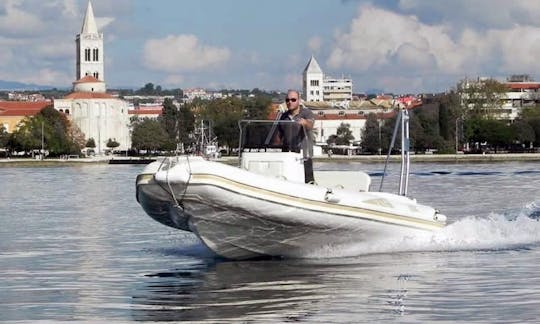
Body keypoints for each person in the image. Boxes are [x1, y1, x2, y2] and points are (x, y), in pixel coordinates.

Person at [278, 90, 315, 183]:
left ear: (299, 100)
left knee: (308, 181)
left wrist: (305, 123)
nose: (290, 102)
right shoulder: (283, 116)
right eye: (287, 100)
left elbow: (310, 125)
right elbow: (279, 134)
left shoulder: (307, 113)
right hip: (287, 153)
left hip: (303, 153)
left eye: (293, 100)